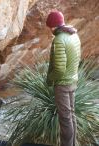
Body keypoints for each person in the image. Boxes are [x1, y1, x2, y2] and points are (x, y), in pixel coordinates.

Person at [46, 10, 81, 146]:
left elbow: (59, 69)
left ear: (52, 25)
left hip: (62, 84)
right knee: (71, 115)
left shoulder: (59, 40)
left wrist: (50, 80)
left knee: (65, 120)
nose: (49, 29)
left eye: (49, 26)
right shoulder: (73, 35)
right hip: (72, 80)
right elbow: (77, 58)